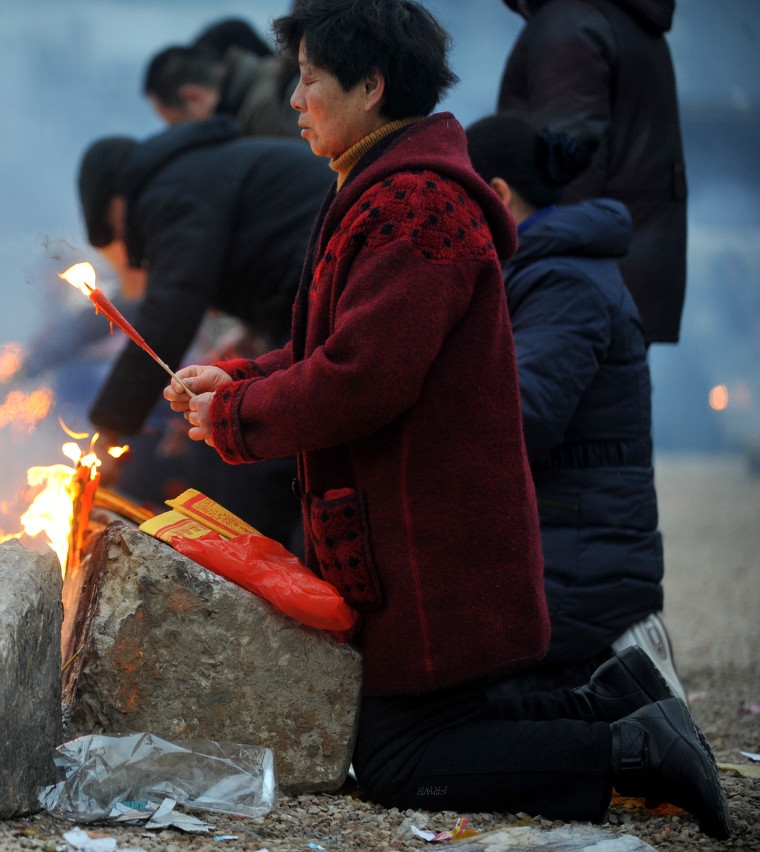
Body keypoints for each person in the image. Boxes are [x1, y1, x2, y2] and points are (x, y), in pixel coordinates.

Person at [163, 0, 730, 838]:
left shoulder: (417, 205)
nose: (295, 99)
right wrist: (238, 377)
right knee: (426, 731)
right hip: (414, 536)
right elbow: (331, 345)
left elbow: (363, 379)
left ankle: (628, 748)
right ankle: (615, 701)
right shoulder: (377, 185)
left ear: (371, 84)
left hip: (433, 543)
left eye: (310, 78)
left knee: (399, 761)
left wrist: (238, 415)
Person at [466, 113, 686, 701]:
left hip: (578, 561)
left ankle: (628, 693)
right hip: (563, 538)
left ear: (495, 196)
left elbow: (524, 415)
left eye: (456, 200)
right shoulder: (541, 271)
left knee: (436, 715)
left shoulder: (563, 280)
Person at [77, 117, 331, 545]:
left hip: (328, 294)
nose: (126, 244)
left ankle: (258, 598)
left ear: (116, 200)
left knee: (253, 462)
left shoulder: (171, 190)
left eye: (113, 231)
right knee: (220, 451)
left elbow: (170, 309)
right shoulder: (195, 172)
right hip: (309, 303)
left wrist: (110, 429)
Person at [497, 0, 687, 344]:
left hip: (573, 294)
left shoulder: (571, 21)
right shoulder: (609, 16)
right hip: (616, 279)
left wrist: (533, 284)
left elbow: (567, 175)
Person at [143, 33, 300, 138]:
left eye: (179, 124)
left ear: (194, 97)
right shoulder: (267, 71)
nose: (183, 135)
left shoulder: (264, 113)